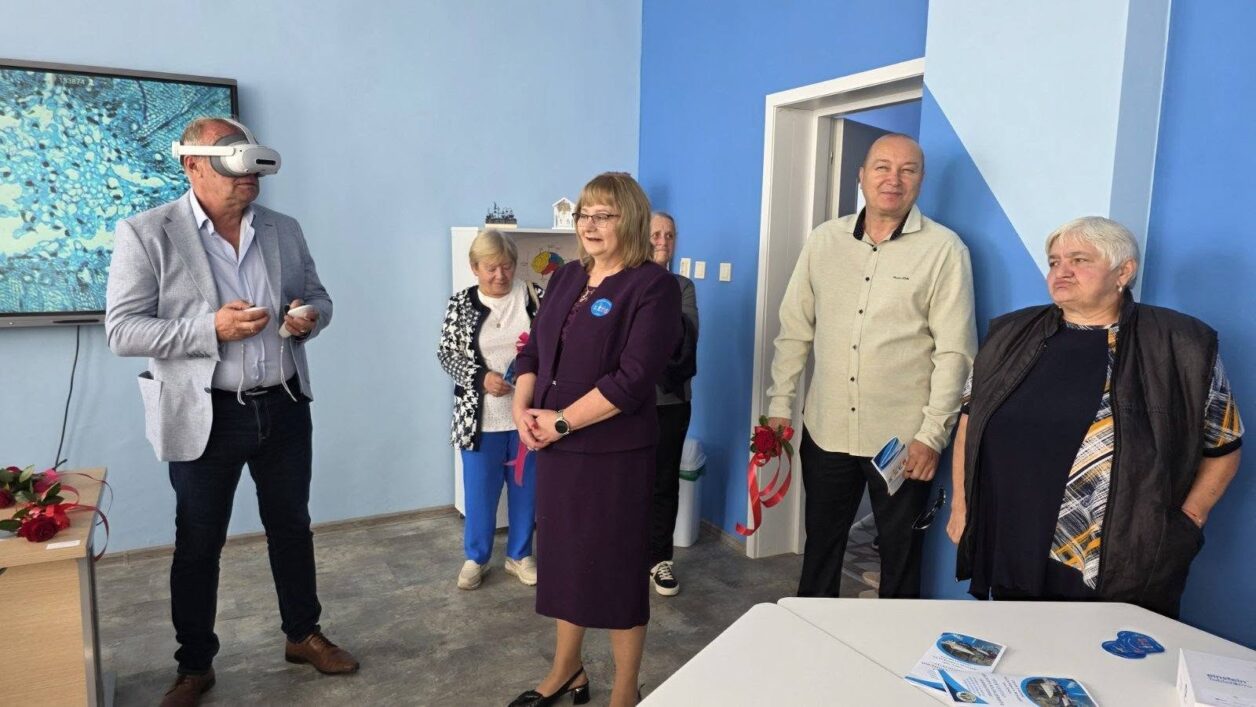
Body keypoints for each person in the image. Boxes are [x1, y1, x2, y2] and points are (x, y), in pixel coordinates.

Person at [105, 117, 357, 707]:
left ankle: (302, 634)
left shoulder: (283, 229)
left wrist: (309, 319)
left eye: (252, 163)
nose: (248, 177)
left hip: (284, 405)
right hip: (205, 415)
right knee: (198, 544)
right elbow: (122, 331)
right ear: (192, 165)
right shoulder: (147, 232)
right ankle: (195, 665)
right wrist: (209, 329)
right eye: (230, 162)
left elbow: (320, 298)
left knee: (291, 528)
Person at [946, 216, 1243, 616]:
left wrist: (1189, 519)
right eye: (1054, 262)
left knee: (1103, 649)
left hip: (1120, 550)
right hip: (1011, 536)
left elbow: (1224, 446)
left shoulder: (1181, 344)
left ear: (1124, 271)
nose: (1061, 271)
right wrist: (962, 507)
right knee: (1021, 639)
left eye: (1079, 260)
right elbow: (970, 422)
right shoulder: (1009, 335)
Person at [765, 133, 976, 598]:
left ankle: (892, 639)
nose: (893, 179)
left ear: (921, 180)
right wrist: (780, 403)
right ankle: (813, 627)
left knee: (901, 557)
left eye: (907, 170)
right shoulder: (824, 240)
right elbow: (794, 328)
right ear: (861, 176)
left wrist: (932, 435)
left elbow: (955, 354)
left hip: (902, 440)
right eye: (882, 167)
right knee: (821, 547)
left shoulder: (945, 250)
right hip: (827, 430)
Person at [509, 173, 681, 707]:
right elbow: (532, 352)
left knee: (615, 570)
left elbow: (632, 380)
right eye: (584, 213)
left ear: (630, 219)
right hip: (557, 451)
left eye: (603, 214)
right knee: (565, 564)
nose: (589, 224)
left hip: (614, 456)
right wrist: (521, 409)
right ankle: (567, 670)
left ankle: (625, 688)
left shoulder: (652, 286)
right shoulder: (566, 277)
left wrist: (559, 422)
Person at [437, 229, 542, 590]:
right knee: (479, 492)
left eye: (507, 266)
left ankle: (520, 555)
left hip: (527, 416)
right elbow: (447, 355)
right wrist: (481, 377)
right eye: (491, 268)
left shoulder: (534, 296)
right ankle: (476, 557)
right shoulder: (460, 304)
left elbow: (553, 345)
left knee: (526, 490)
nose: (500, 275)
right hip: (478, 420)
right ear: (474, 267)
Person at [646, 211, 699, 596]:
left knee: (663, 482)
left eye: (670, 234)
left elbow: (683, 341)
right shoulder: (623, 284)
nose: (663, 241)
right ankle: (624, 553)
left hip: (671, 402)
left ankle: (658, 559)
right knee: (624, 481)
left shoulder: (683, 287)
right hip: (624, 404)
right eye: (655, 235)